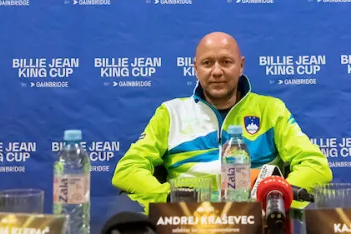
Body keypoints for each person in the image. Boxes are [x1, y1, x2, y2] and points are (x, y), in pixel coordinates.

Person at [112, 32, 332, 207]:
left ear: (241, 65)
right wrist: (170, 197)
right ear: (195, 68)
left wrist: (277, 196)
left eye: (226, 62)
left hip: (258, 221)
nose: (217, 71)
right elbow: (127, 170)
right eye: (207, 63)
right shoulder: (170, 113)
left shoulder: (271, 110)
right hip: (189, 221)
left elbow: (317, 167)